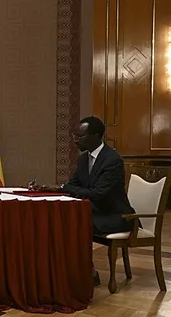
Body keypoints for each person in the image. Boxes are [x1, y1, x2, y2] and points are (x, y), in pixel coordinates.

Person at [30, 116, 135, 286]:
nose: (75, 141)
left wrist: (63, 187)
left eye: (80, 137)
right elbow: (73, 185)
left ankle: (86, 273)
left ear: (96, 136)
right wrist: (51, 188)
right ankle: (65, 272)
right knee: (59, 220)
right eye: (74, 136)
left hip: (115, 216)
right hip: (94, 212)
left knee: (73, 224)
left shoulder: (113, 160)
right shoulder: (83, 159)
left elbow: (98, 194)